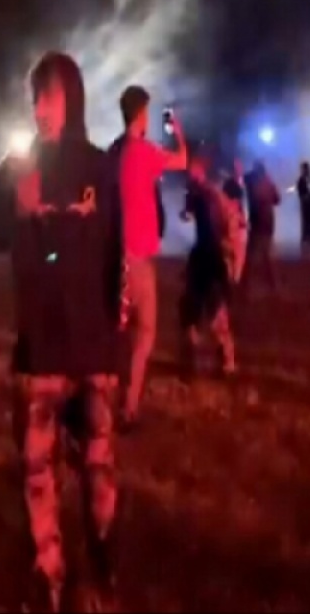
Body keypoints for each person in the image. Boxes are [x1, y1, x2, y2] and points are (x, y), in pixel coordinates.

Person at [0, 52, 123, 612]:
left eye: (50, 96)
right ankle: (49, 574)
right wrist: (14, 210)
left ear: (73, 100)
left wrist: (115, 329)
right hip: (40, 348)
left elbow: (119, 248)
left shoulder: (100, 167)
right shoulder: (20, 167)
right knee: (37, 470)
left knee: (98, 467)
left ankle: (103, 563)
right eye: (34, 98)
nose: (39, 108)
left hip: (92, 349)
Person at [108, 85, 187, 427]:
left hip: (114, 256)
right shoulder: (144, 151)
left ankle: (104, 396)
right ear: (141, 114)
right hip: (138, 257)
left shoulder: (113, 152)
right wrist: (178, 132)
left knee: (116, 330)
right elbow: (182, 160)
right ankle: (128, 407)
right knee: (145, 333)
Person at [177, 150, 244, 377]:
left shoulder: (211, 195)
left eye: (192, 171)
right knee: (192, 311)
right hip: (204, 257)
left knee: (214, 313)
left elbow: (229, 224)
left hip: (212, 258)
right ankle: (198, 360)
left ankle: (225, 361)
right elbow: (188, 214)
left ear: (201, 172)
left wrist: (230, 253)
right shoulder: (198, 193)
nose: (189, 175)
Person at [241, 160, 282, 297]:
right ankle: (273, 286)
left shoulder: (251, 182)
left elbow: (244, 179)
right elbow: (277, 200)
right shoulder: (268, 183)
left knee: (251, 256)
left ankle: (246, 286)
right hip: (268, 223)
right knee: (267, 255)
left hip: (257, 222)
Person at [296, 161, 310, 259]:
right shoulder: (301, 181)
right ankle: (305, 245)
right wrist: (308, 197)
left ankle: (309, 244)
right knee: (306, 225)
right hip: (306, 206)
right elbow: (302, 194)